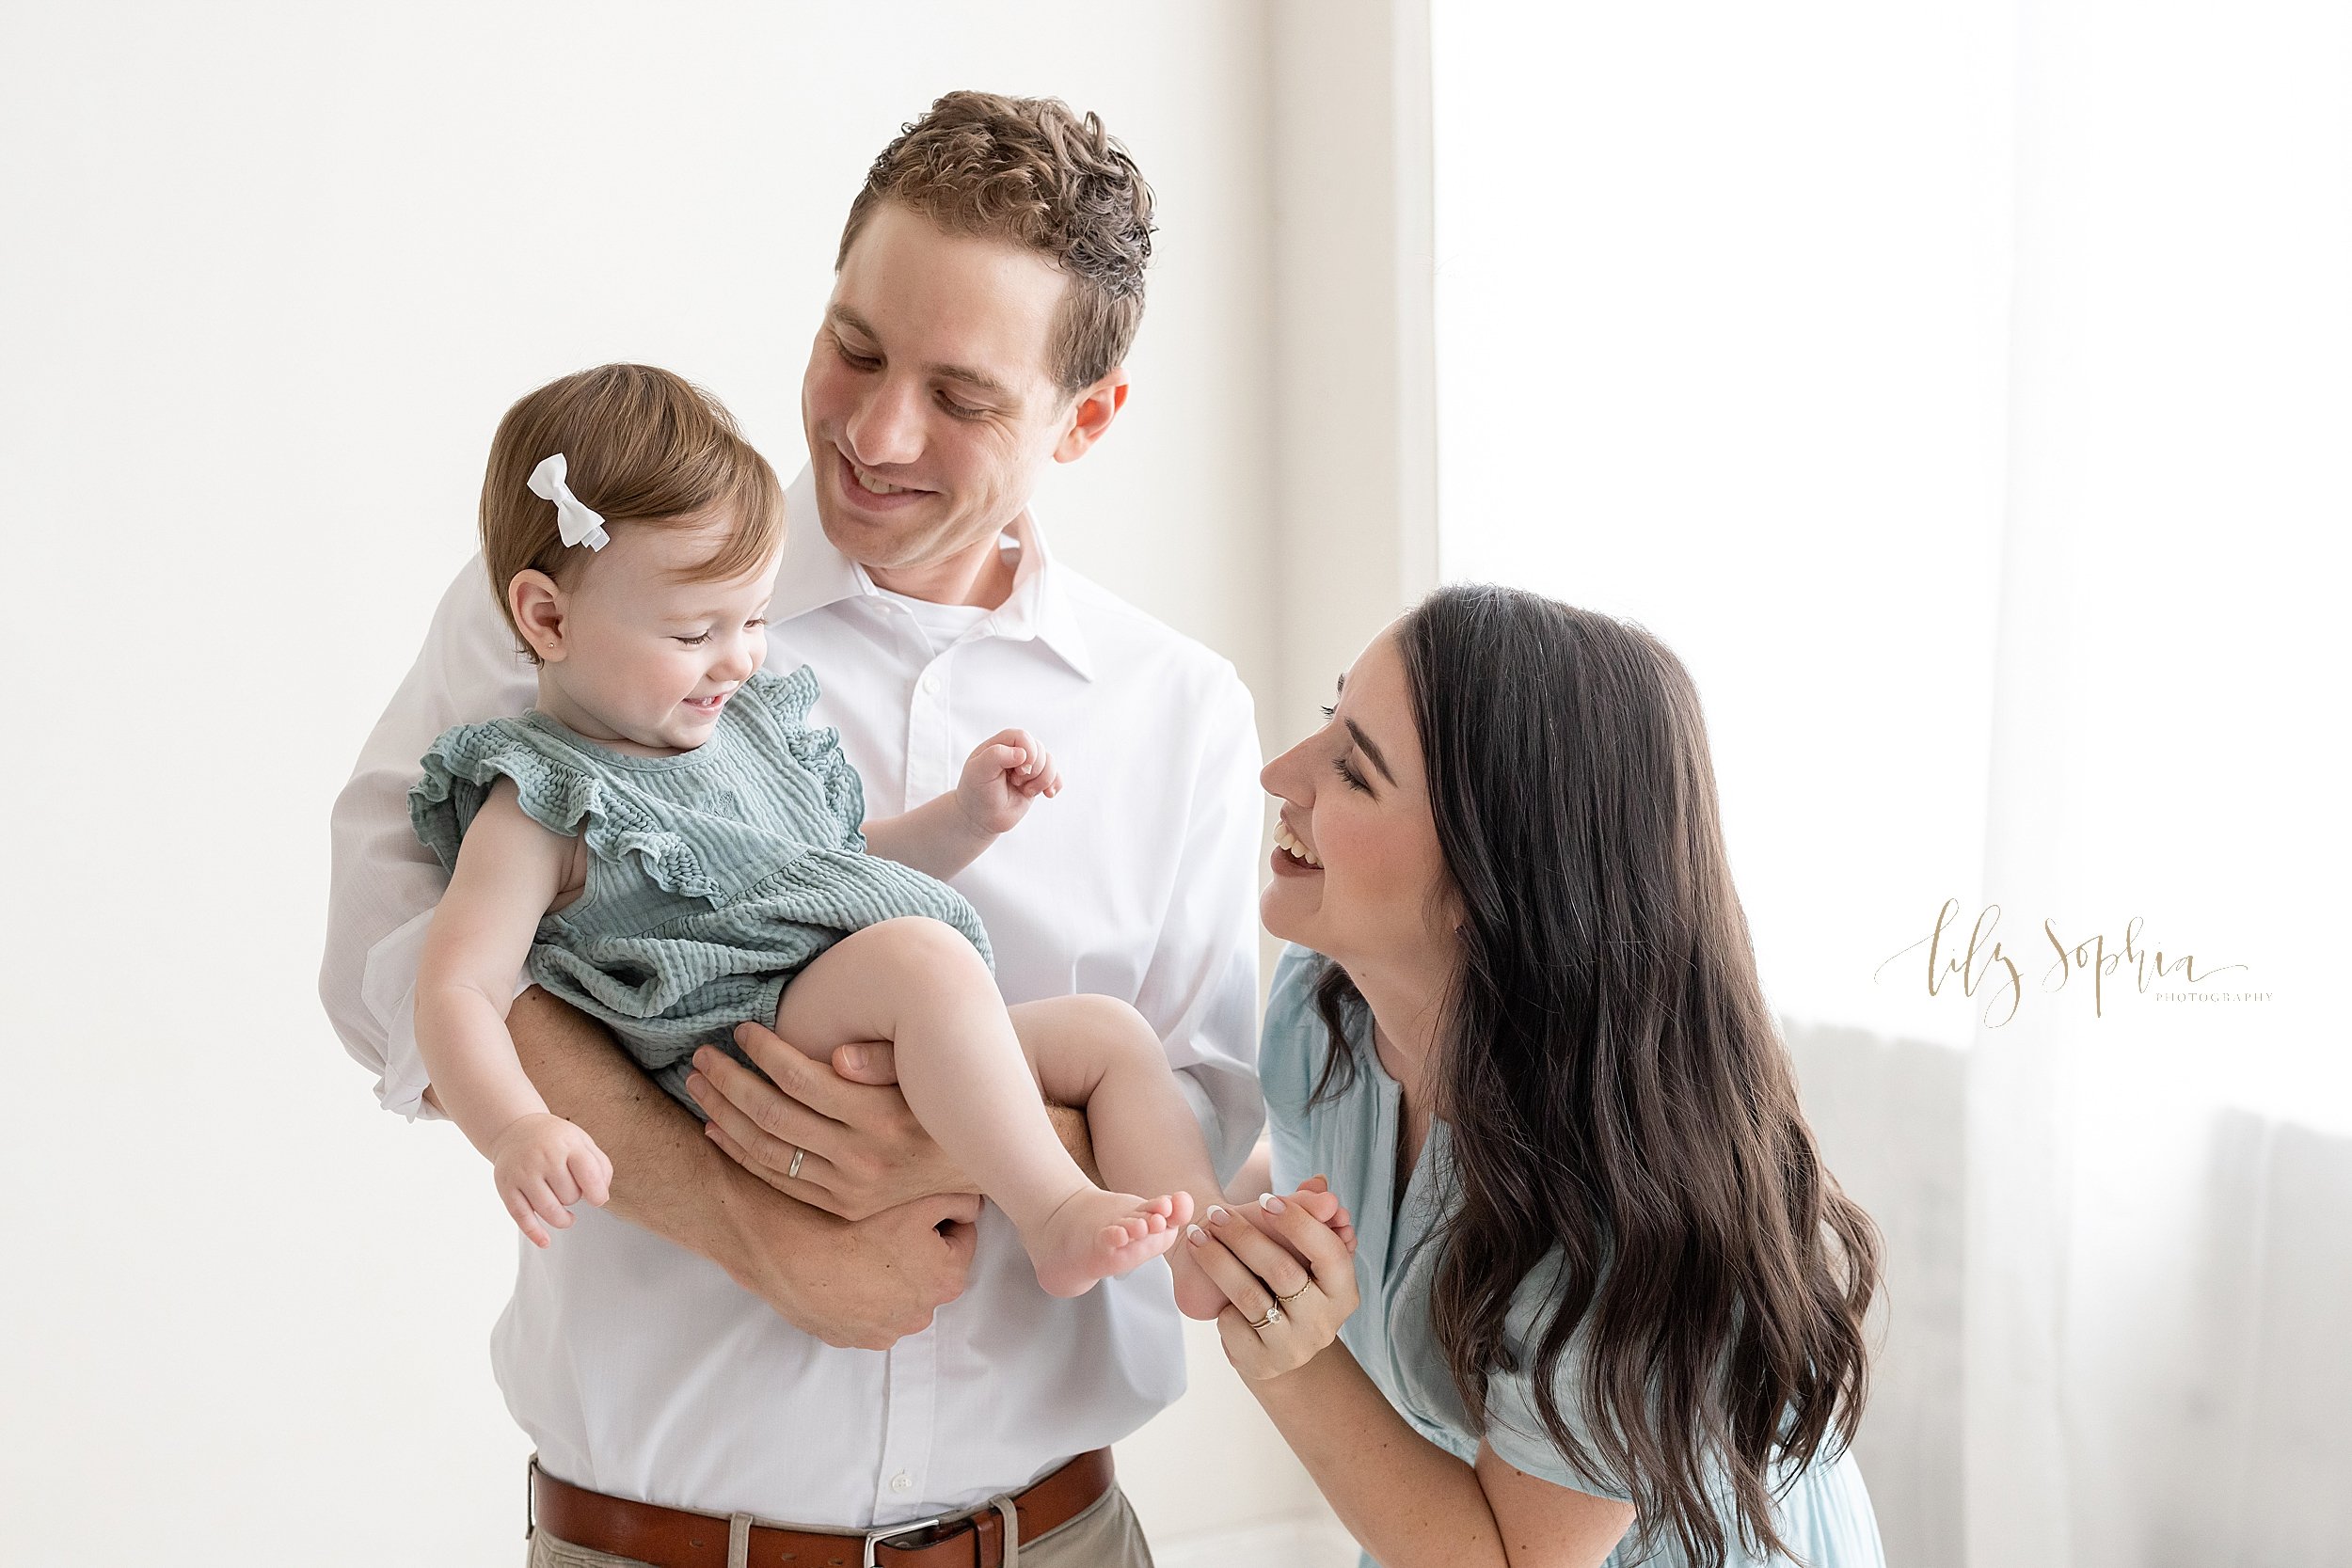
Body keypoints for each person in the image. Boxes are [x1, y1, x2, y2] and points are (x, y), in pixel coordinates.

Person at [322, 93, 1263, 1565]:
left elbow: (1207, 1112)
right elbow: (397, 968)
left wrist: (923, 1151)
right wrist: (745, 1213)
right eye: (857, 347)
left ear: (1089, 417)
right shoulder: (590, 587)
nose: (876, 431)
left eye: (962, 396)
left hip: (1063, 1536)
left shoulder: (1179, 709)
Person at [410, 360, 1267, 1305]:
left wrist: (966, 819)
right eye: (695, 631)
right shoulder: (543, 799)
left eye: (756, 619)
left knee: (1106, 1034)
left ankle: (1202, 1248)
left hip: (864, 1008)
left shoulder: (750, 726)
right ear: (547, 615)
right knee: (922, 960)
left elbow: (842, 870)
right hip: (744, 1041)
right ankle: (1055, 1211)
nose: (736, 657)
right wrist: (514, 1127)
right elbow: (455, 984)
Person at [1180, 586, 1888, 1568]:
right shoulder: (1322, 1006)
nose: (1279, 774)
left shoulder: (1629, 1199)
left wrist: (1291, 1356)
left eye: (1354, 770)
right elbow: (1336, 1187)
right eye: (1327, 723)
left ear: (1487, 880)